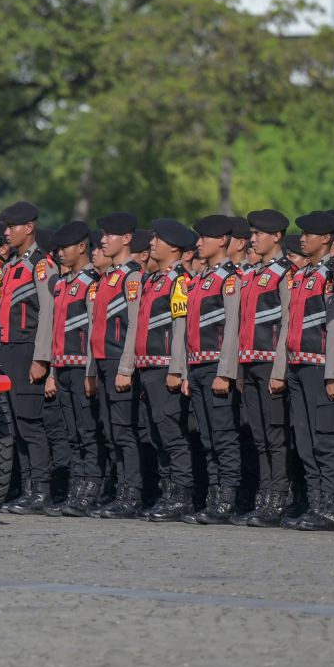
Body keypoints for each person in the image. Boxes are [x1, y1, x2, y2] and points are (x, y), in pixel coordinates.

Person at [280, 211, 334, 531]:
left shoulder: (332, 274)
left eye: (309, 234)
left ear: (326, 238)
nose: (302, 238)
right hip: (298, 364)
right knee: (305, 439)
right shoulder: (304, 273)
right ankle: (314, 502)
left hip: (321, 366)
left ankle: (329, 507)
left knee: (325, 439)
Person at [180, 215, 244, 525]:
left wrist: (225, 371)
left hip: (217, 365)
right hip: (197, 366)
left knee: (223, 435)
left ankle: (227, 498)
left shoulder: (229, 279)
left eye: (204, 237)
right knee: (207, 436)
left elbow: (233, 326)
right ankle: (213, 496)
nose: (198, 243)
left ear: (222, 241)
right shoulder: (202, 278)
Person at [232, 209, 294, 527]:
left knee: (275, 435)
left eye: (257, 234)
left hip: (271, 362)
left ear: (276, 237)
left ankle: (277, 497)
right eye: (251, 233)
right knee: (259, 435)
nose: (252, 239)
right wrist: (240, 369)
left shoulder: (286, 273)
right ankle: (265, 493)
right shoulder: (253, 273)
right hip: (250, 361)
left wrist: (280, 370)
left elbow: (288, 322)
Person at [135, 219, 197, 522]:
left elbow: (180, 325)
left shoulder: (179, 281)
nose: (151, 243)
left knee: (171, 431)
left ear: (173, 247)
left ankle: (181, 496)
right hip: (148, 366)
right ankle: (167, 491)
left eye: (157, 239)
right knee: (156, 434)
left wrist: (177, 368)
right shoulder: (154, 279)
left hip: (164, 368)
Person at [0, 201, 55, 515]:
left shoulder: (41, 265)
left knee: (31, 423)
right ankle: (26, 488)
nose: (6, 233)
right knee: (15, 425)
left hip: (27, 349)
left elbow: (48, 312)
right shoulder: (11, 265)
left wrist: (42, 357)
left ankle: (41, 491)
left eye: (11, 227)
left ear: (29, 227)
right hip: (8, 349)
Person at [42, 221, 103, 517]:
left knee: (87, 430)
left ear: (81, 247)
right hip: (63, 366)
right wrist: (52, 372)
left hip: (82, 367)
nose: (59, 253)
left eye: (65, 248)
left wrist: (92, 371)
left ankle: (90, 487)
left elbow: (94, 330)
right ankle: (76, 488)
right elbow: (56, 331)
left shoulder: (92, 283)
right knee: (72, 432)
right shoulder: (63, 284)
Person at [85, 213, 144, 518]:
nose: (103, 240)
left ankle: (131, 493)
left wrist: (125, 367)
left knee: (123, 430)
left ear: (126, 239)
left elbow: (134, 324)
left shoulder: (132, 276)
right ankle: (119, 489)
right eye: (103, 235)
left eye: (109, 235)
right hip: (103, 361)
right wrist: (92, 370)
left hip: (118, 361)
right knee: (110, 430)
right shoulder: (108, 276)